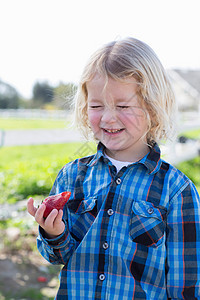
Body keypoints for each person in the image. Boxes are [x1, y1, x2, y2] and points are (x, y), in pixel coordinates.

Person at [27, 37, 200, 299]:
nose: (108, 117)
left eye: (122, 106)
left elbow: (186, 287)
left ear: (153, 107)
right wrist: (54, 232)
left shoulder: (177, 191)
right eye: (96, 106)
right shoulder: (73, 177)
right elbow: (57, 256)